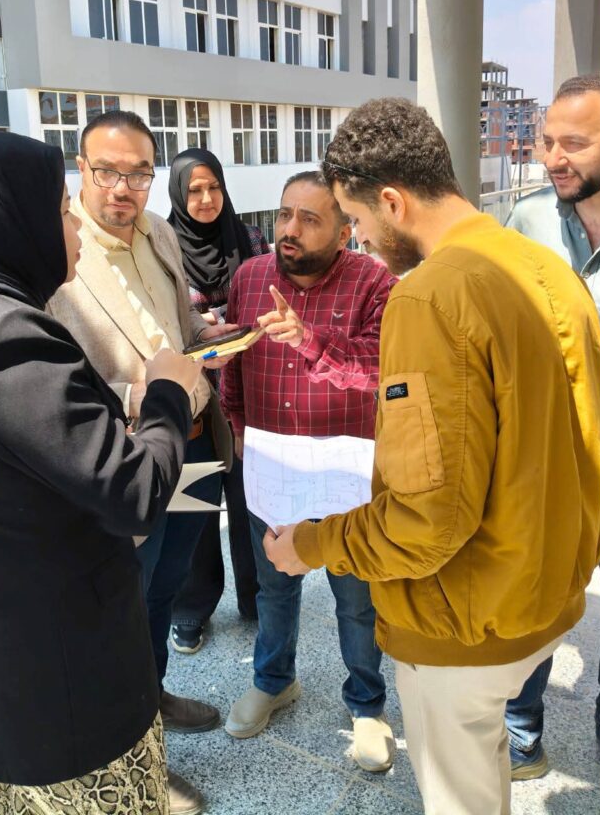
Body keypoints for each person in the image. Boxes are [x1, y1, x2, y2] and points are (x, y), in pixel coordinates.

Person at [264, 98, 600, 815]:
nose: (360, 240)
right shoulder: (549, 267)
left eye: (356, 220)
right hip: (545, 590)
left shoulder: (428, 296)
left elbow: (426, 522)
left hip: (464, 622)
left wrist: (311, 544)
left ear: (393, 201)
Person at [0, 130, 203, 815]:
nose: (77, 227)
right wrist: (168, 392)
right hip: (54, 681)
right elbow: (134, 493)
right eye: (62, 210)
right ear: (4, 221)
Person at [47, 112, 234, 815]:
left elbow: (177, 328)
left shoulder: (160, 231)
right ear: (81, 169)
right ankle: (138, 756)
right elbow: (56, 380)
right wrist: (144, 394)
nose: (123, 188)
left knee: (167, 586)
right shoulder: (59, 252)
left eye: (138, 173)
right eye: (107, 171)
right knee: (126, 599)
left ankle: (151, 698)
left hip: (193, 441)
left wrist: (209, 335)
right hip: (127, 455)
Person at [504, 75, 600, 815]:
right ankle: (520, 726)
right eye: (546, 141)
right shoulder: (526, 219)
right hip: (543, 474)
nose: (552, 158)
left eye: (574, 143)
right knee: (534, 607)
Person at [220, 171, 399, 773]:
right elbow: (235, 364)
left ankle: (367, 704)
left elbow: (381, 365)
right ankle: (274, 681)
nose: (289, 229)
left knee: (356, 595)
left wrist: (309, 340)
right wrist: (237, 424)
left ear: (345, 232)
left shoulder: (374, 282)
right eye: (284, 214)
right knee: (274, 586)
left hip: (346, 469)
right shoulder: (250, 277)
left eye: (310, 219)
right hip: (271, 462)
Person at [167, 148, 268, 654]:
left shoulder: (250, 240)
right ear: (177, 194)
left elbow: (270, 298)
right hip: (194, 398)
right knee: (195, 505)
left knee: (251, 501)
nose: (206, 199)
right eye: (194, 190)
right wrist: (198, 330)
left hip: (248, 391)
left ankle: (257, 598)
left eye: (214, 187)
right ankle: (191, 607)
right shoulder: (161, 246)